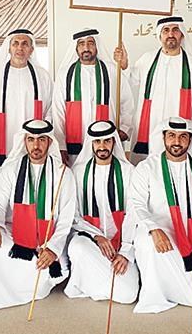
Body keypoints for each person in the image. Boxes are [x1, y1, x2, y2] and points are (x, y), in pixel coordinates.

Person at [0, 120, 75, 311]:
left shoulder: (63, 174)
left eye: (41, 139)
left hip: (49, 239)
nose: (36, 145)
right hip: (17, 237)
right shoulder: (11, 169)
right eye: (31, 139)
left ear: (50, 142)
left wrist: (53, 248)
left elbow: (66, 220)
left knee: (45, 268)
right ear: (24, 142)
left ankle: (28, 276)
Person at [130, 117, 192, 313]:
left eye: (183, 137)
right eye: (171, 135)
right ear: (163, 137)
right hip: (157, 235)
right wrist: (153, 229)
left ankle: (176, 283)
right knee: (147, 243)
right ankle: (154, 293)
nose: (177, 142)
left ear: (190, 140)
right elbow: (136, 204)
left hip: (191, 240)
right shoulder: (146, 168)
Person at [64, 120, 139, 303]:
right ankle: (103, 284)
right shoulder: (78, 172)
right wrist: (97, 236)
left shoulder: (129, 171)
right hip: (90, 239)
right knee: (77, 247)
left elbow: (134, 213)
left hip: (122, 242)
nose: (102, 146)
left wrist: (125, 250)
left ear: (114, 142)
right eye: (97, 141)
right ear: (91, 143)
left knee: (129, 295)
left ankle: (97, 283)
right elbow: (72, 214)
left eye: (107, 141)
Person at [0, 29, 53, 186]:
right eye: (15, 43)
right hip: (1, 145)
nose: (20, 48)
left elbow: (50, 110)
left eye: (25, 44)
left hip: (33, 144)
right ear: (9, 48)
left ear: (31, 49)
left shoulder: (43, 76)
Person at [129, 16, 192, 162]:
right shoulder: (147, 59)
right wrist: (123, 66)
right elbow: (130, 81)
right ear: (160, 35)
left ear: (182, 34)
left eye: (175, 30)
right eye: (166, 30)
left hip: (179, 137)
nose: (170, 34)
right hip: (148, 130)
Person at [52, 28, 133, 166]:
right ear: (76, 48)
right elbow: (58, 110)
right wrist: (60, 145)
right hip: (75, 142)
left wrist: (125, 128)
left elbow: (126, 101)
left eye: (90, 43)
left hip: (106, 141)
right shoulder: (65, 73)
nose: (86, 48)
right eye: (81, 44)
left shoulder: (112, 70)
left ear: (97, 46)